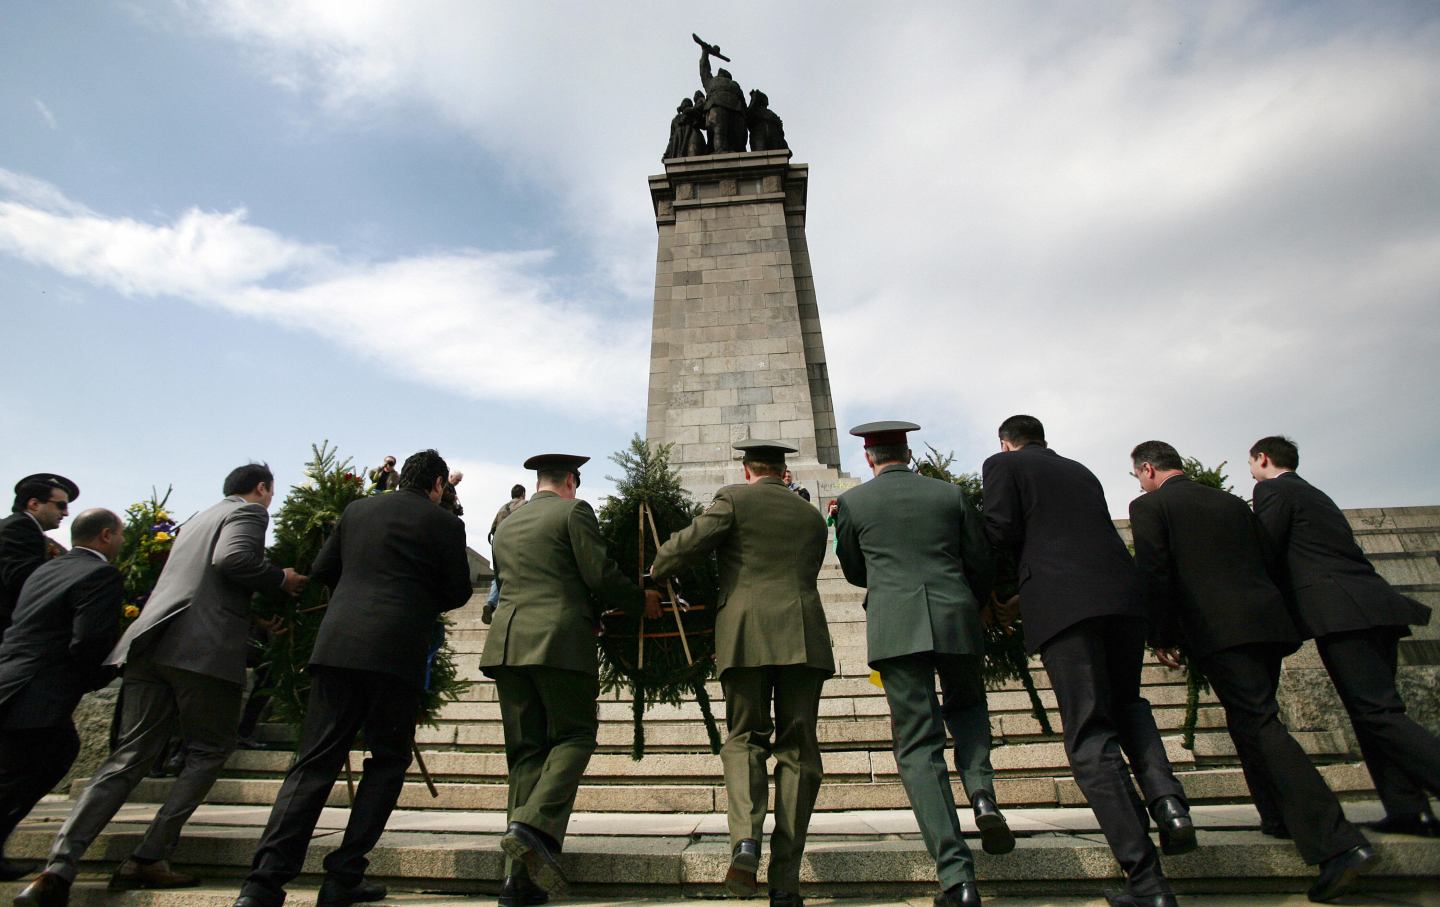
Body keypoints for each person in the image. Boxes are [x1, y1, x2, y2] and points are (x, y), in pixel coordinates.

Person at [16, 464, 305, 907]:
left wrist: (254, 619)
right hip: (202, 653)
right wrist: (279, 578)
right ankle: (150, 854)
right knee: (208, 751)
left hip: (152, 644)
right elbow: (233, 561)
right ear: (261, 489)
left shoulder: (196, 520)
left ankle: (59, 865)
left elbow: (199, 585)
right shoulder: (249, 514)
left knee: (128, 756)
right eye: (270, 492)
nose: (270, 501)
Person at [1129, 441, 1374, 902]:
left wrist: (1160, 635)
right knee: (1251, 720)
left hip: (1220, 629)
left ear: (1147, 469)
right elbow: (1268, 554)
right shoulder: (1231, 500)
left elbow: (1155, 573)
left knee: (1259, 723)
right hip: (1267, 622)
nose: (1140, 483)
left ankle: (1337, 843)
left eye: (1138, 476)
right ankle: (1277, 815)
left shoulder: (1150, 506)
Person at [233, 449, 473, 907]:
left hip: (338, 646)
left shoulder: (357, 509)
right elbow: (459, 591)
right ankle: (344, 876)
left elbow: (324, 571)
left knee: (313, 763)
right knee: (385, 761)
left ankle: (262, 883)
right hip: (397, 652)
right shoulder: (445, 523)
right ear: (439, 485)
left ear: (402, 477)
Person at [981, 416, 1189, 907]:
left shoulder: (1002, 464)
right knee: (1129, 705)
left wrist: (991, 592)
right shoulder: (1080, 470)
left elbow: (1001, 531)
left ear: (1006, 442)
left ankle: (1147, 880)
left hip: (1063, 608)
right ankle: (1169, 803)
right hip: (1121, 598)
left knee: (1090, 734)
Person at [834, 421, 1012, 907]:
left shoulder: (853, 504)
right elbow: (979, 559)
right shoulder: (949, 494)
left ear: (870, 458)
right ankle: (981, 794)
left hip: (896, 627)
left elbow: (852, 569)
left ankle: (958, 877)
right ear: (908, 452)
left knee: (918, 745)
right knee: (970, 708)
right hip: (956, 617)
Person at [652, 440, 832, 907]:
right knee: (798, 751)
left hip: (745, 634)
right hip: (803, 637)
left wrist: (658, 568)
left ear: (746, 468)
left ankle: (746, 842)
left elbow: (680, 550)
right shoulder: (810, 515)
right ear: (782, 470)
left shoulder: (733, 499)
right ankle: (786, 880)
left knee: (744, 739)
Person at [480, 454, 660, 904]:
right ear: (571, 481)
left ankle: (517, 880)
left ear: (539, 481)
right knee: (575, 735)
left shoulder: (507, 524)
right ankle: (532, 824)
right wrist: (641, 600)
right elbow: (597, 572)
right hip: (558, 641)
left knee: (525, 754)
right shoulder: (574, 511)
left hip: (507, 645)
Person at [1249, 436, 1439, 836]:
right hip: (1373, 605)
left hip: (1342, 612)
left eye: (1251, 462)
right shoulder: (1315, 494)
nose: (1251, 469)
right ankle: (1408, 808)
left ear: (1263, 458)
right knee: (1370, 710)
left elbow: (1265, 548)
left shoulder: (1272, 489)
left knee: (1377, 712)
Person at [0, 509, 124, 882]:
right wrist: (109, 670)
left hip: (11, 679)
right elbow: (88, 641)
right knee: (28, 769)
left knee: (44, 759)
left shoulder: (45, 569)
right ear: (105, 535)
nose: (121, 542)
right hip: (39, 691)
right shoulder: (100, 574)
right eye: (119, 535)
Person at [1, 474, 79, 636]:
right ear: (34, 504)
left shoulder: (26, 529)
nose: (66, 513)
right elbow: (24, 580)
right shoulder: (19, 528)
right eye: (61, 505)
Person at [484, 484, 529, 626]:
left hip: (500, 545)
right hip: (518, 542)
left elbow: (492, 529)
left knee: (499, 574)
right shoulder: (526, 504)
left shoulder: (502, 508)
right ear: (522, 493)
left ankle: (491, 603)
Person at [698, 43, 747, 152]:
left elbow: (704, 70)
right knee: (721, 131)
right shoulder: (717, 82)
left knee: (723, 132)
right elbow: (704, 69)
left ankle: (724, 150)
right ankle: (721, 150)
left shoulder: (713, 82)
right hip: (725, 107)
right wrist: (705, 52)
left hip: (732, 109)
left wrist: (705, 53)